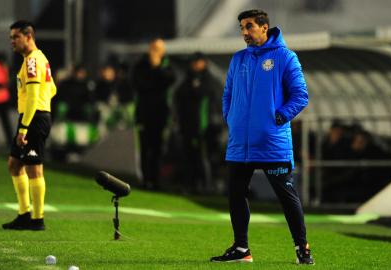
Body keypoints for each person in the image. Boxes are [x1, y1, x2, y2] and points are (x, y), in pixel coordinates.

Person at [210, 10, 314, 264]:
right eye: (241, 28)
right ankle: (241, 249)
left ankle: (303, 249)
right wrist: (231, 118)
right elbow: (227, 94)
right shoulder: (238, 59)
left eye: (249, 27)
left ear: (264, 27)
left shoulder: (285, 57)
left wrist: (278, 118)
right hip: (240, 144)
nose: (244, 32)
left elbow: (300, 95)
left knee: (286, 196)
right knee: (235, 194)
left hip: (271, 142)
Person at [2, 20, 57, 230]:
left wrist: (25, 126)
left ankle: (37, 219)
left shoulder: (33, 61)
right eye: (11, 38)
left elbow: (35, 96)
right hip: (32, 117)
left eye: (16, 37)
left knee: (34, 168)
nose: (12, 42)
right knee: (14, 164)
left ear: (28, 36)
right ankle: (24, 214)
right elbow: (52, 89)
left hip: (33, 119)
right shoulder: (37, 59)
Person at [174, 52, 221, 193]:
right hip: (189, 126)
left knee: (207, 157)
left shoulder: (211, 81)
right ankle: (192, 184)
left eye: (198, 62)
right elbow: (179, 99)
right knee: (190, 156)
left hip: (207, 127)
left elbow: (214, 102)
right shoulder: (186, 81)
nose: (195, 65)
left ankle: (208, 185)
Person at [132, 38, 175, 190]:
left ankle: (155, 180)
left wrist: (157, 67)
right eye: (154, 48)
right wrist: (153, 70)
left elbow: (169, 80)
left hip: (160, 115)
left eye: (159, 49)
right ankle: (144, 179)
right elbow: (141, 85)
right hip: (144, 114)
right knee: (144, 148)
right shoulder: (141, 65)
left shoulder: (167, 65)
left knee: (157, 149)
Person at [0, 51, 13, 146]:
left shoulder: (4, 67)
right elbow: (0, 81)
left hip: (3, 99)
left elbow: (7, 81)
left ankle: (10, 142)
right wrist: (5, 83)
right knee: (5, 121)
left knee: (5, 122)